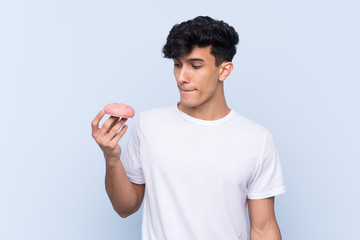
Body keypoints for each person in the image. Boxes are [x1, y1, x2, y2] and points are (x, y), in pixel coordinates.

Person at [91, 16, 286, 240]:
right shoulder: (150, 125)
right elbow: (125, 208)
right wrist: (112, 158)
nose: (182, 77)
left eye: (195, 66)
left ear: (224, 70)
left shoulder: (257, 139)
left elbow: (263, 229)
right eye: (177, 64)